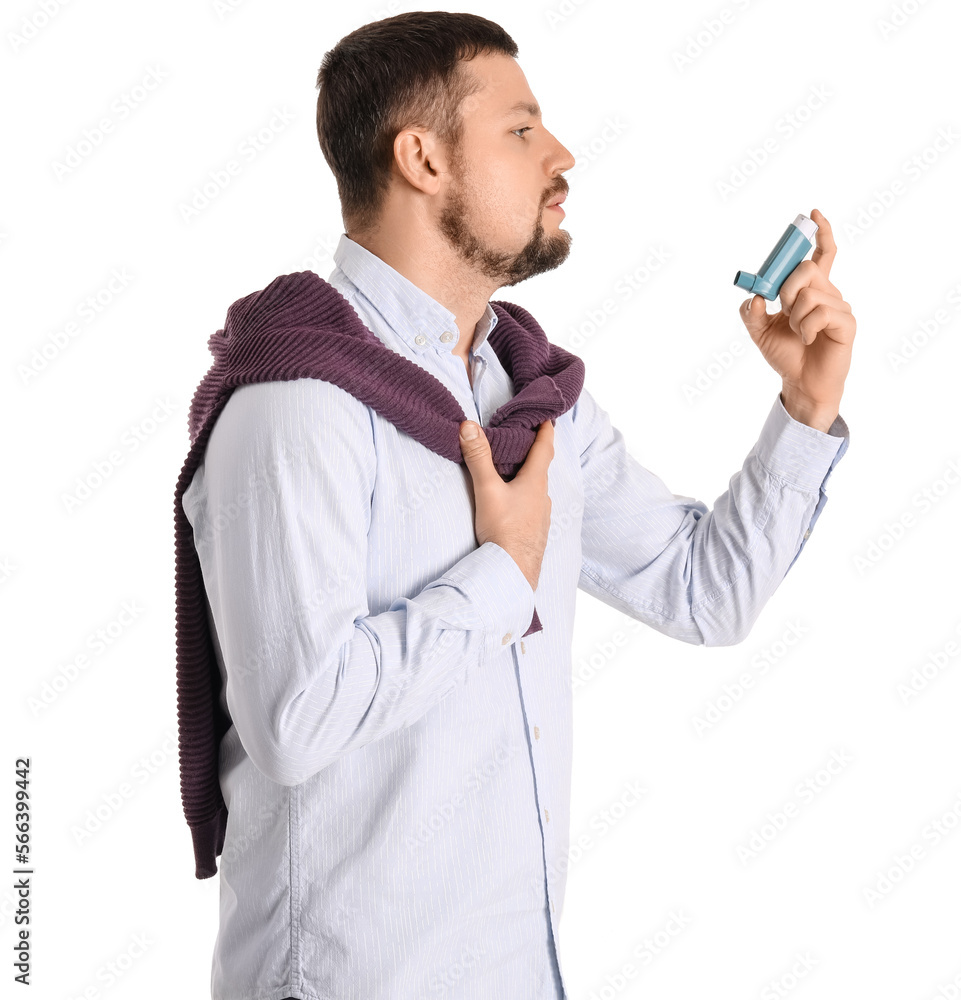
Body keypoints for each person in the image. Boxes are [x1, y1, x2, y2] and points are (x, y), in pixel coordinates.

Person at [180, 11, 855, 999]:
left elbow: (705, 592)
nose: (561, 153)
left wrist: (805, 408)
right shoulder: (296, 402)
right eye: (521, 129)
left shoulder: (529, 394)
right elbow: (296, 719)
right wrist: (499, 575)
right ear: (422, 158)